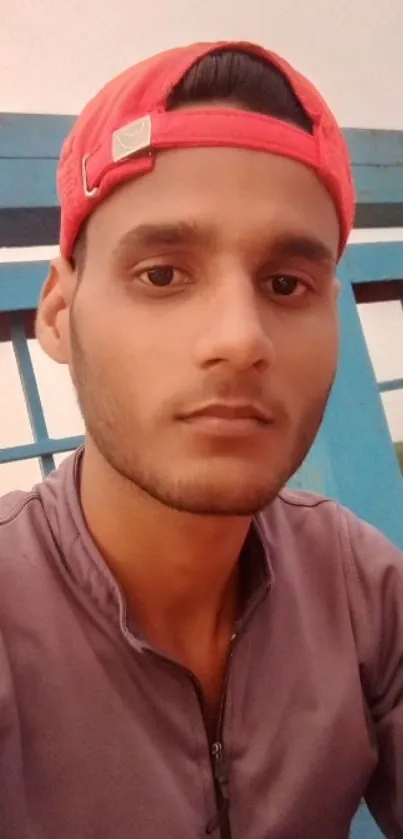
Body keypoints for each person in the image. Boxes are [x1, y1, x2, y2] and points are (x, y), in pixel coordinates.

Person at [0, 39, 402, 839]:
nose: (239, 338)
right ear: (57, 311)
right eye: (161, 274)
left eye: (286, 284)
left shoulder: (359, 583)